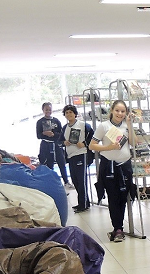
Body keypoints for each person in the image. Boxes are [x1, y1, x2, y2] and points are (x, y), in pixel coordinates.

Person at [89, 100, 142, 242]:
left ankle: (119, 227)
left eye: (123, 111)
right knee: (113, 197)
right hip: (109, 167)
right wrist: (109, 147)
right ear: (112, 110)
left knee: (123, 196)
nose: (120, 114)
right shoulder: (104, 126)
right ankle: (118, 228)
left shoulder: (126, 125)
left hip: (125, 166)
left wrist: (130, 125)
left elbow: (133, 142)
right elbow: (92, 145)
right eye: (117, 110)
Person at [61, 105, 94, 213]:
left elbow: (93, 137)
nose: (69, 114)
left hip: (81, 154)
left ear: (75, 113)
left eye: (71, 112)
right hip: (70, 156)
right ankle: (84, 202)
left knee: (81, 180)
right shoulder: (64, 128)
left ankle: (83, 205)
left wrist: (84, 144)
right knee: (75, 180)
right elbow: (60, 140)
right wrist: (63, 143)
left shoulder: (83, 125)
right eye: (67, 113)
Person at [36, 102, 72, 188]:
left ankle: (66, 182)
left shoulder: (56, 121)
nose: (48, 111)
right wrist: (45, 133)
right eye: (46, 110)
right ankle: (51, 184)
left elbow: (61, 134)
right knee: (48, 164)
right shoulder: (40, 122)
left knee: (61, 163)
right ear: (43, 110)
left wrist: (53, 134)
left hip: (56, 144)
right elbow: (38, 135)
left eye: (49, 109)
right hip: (45, 145)